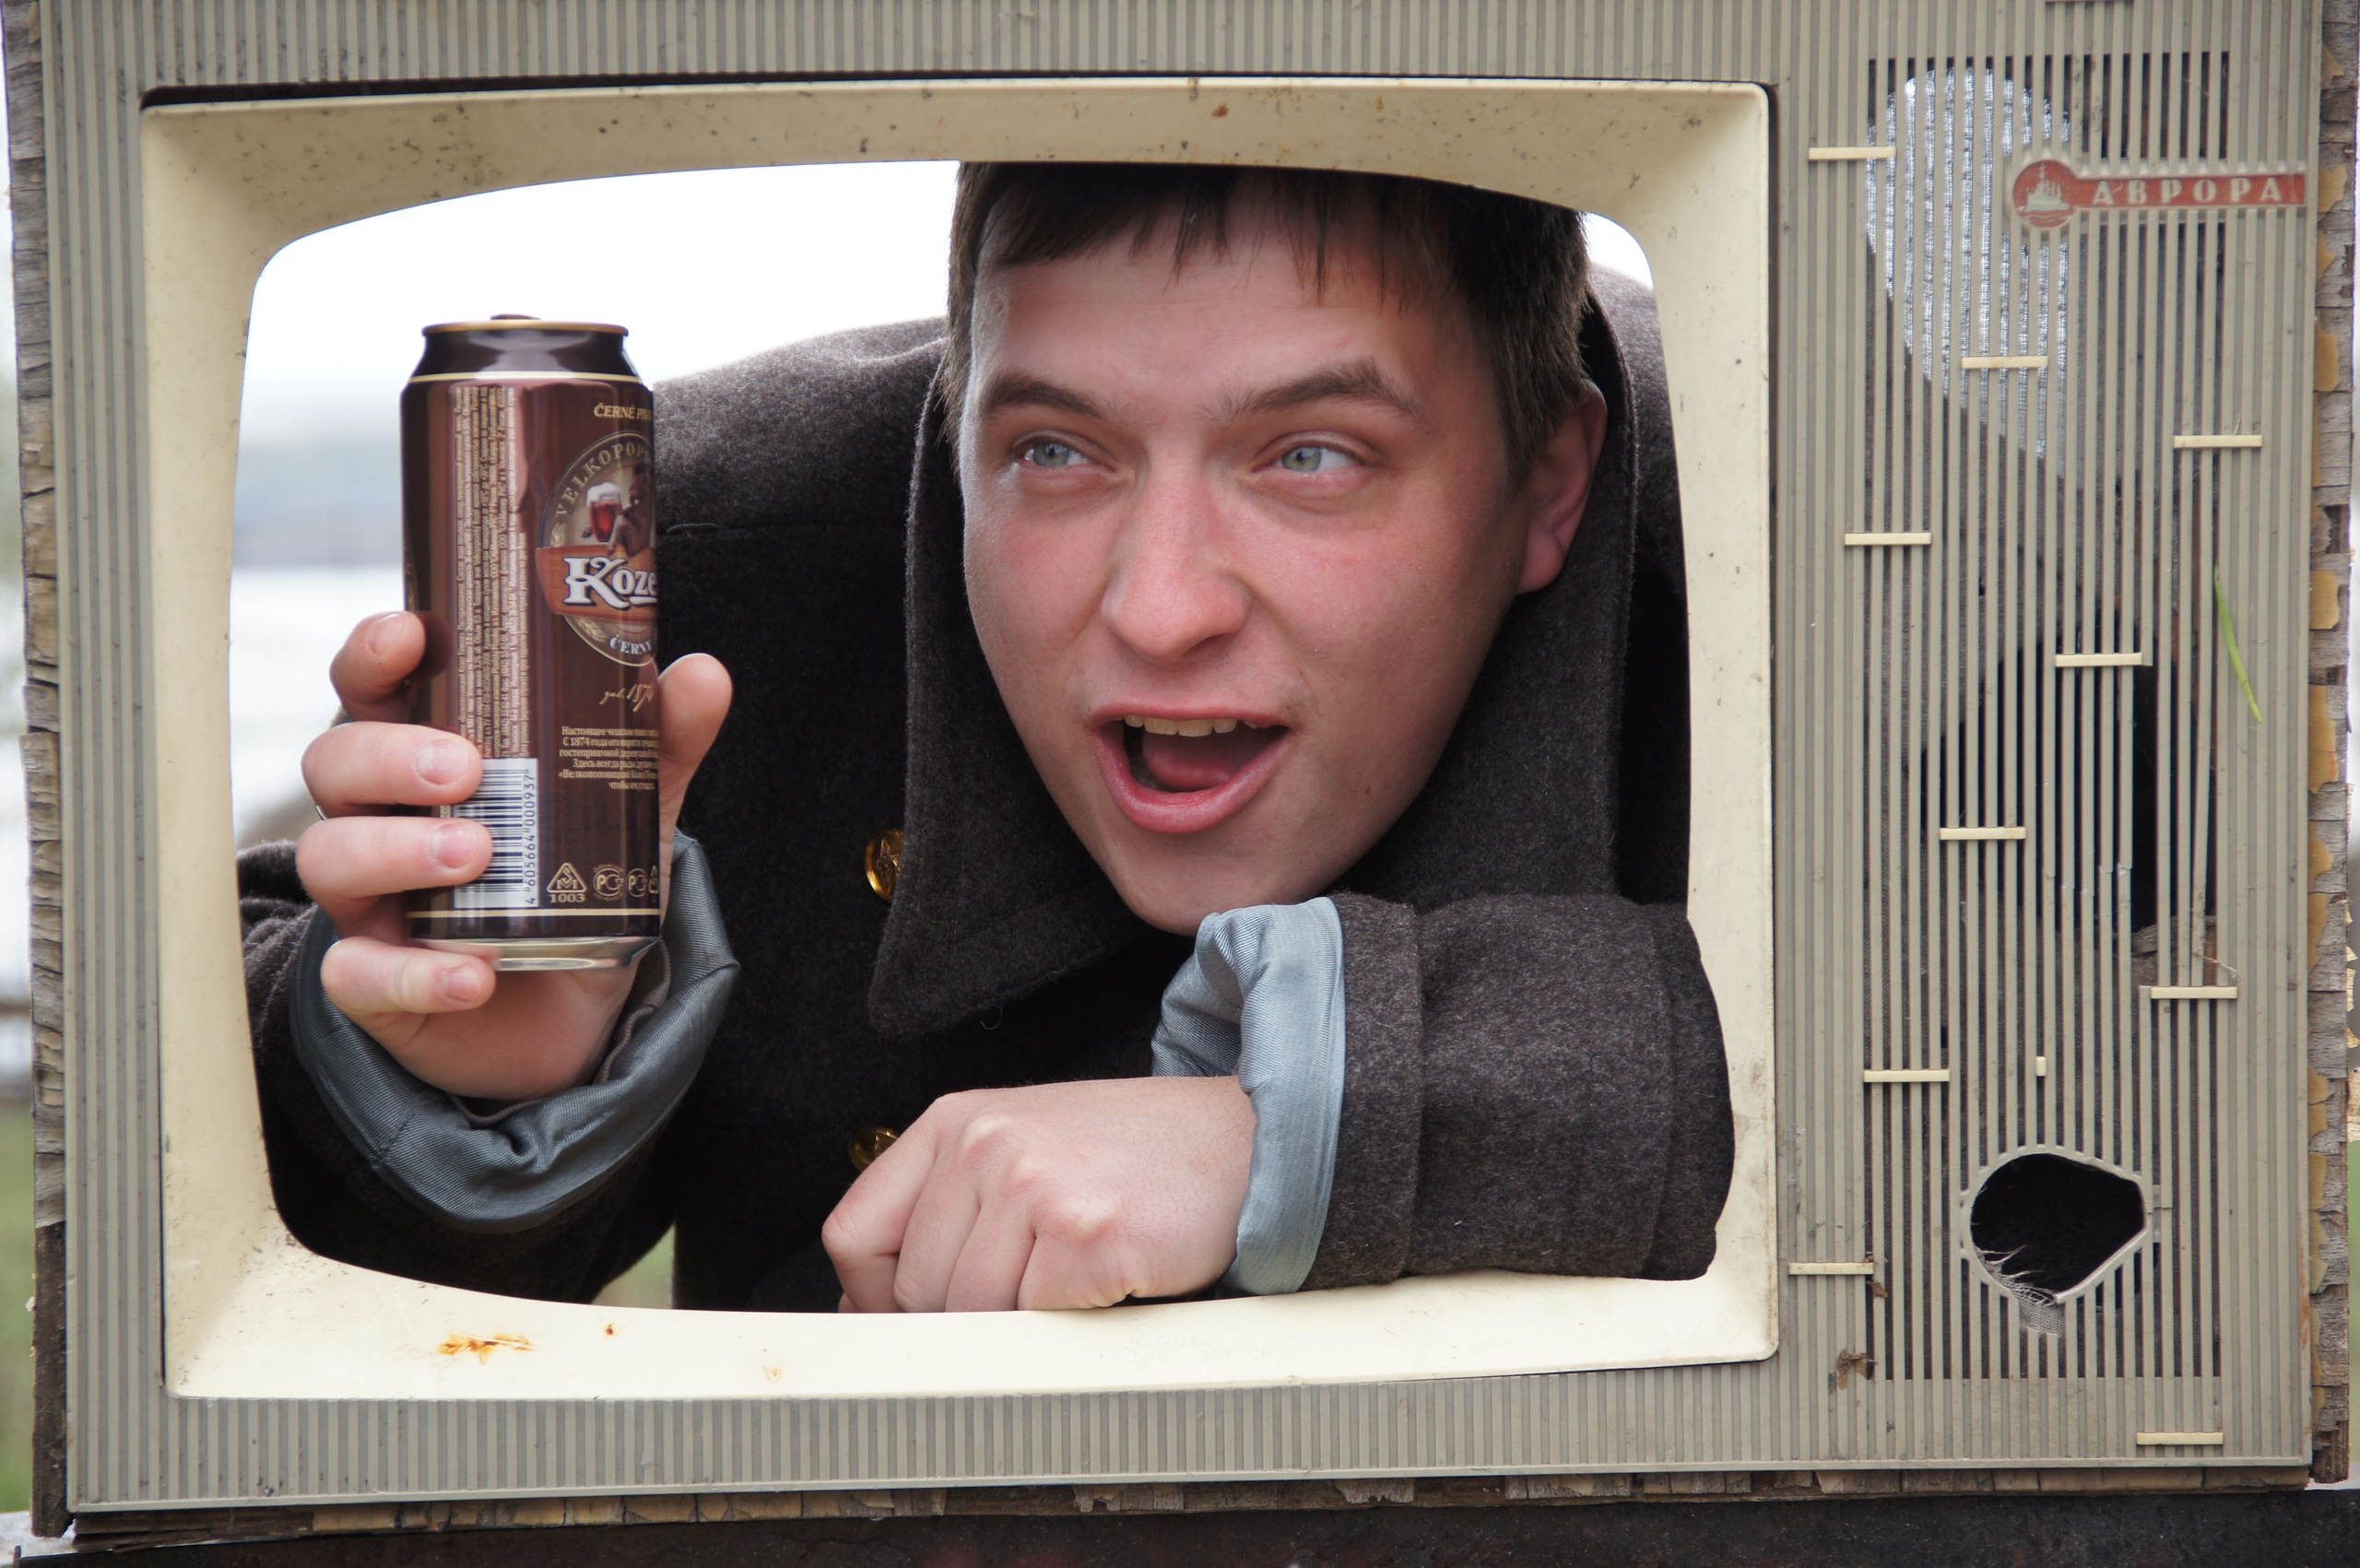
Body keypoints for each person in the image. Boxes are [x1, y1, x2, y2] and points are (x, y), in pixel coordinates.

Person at [238, 163, 1733, 1314]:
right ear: (954, 426)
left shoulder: (1790, 536)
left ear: (1553, 481)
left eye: (1312, 456)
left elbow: (1889, 1051)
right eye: (1055, 450)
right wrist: (454, 1084)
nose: (1160, 609)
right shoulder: (667, 568)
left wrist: (1305, 1120)